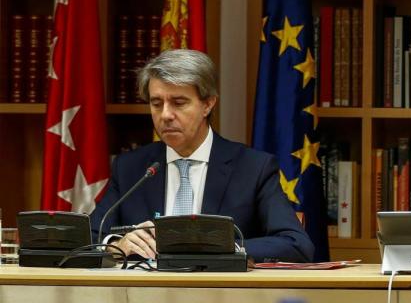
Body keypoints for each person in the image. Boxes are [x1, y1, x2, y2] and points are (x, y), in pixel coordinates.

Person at [90, 49, 314, 263]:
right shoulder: (132, 168)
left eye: (179, 103)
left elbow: (295, 244)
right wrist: (116, 245)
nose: (166, 115)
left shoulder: (253, 168)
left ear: (208, 104)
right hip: (146, 297)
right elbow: (88, 236)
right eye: (156, 104)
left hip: (224, 297)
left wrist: (227, 249)